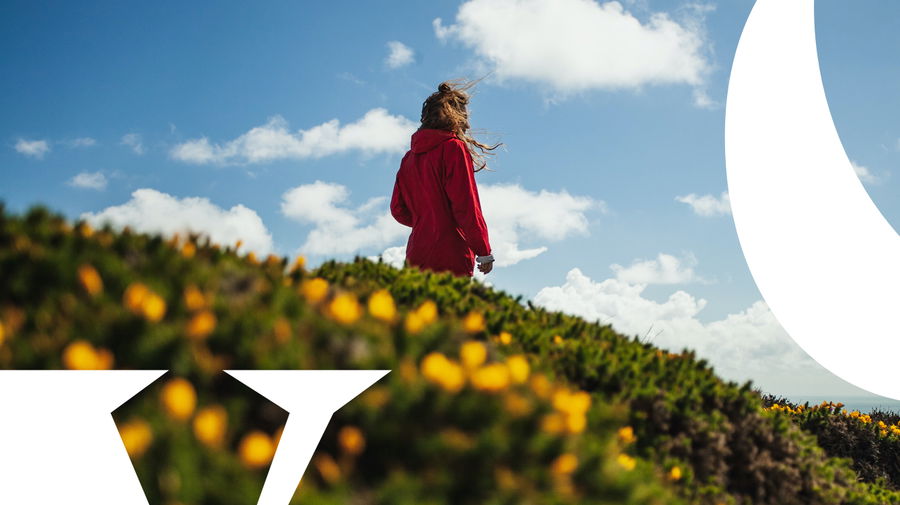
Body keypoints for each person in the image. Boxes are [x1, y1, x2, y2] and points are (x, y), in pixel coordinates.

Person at [390, 80, 500, 277]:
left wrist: (427, 221)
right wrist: (483, 251)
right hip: (451, 255)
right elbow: (465, 206)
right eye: (465, 117)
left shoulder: (408, 158)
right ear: (454, 117)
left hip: (417, 255)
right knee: (450, 308)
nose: (467, 124)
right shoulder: (453, 148)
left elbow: (398, 210)